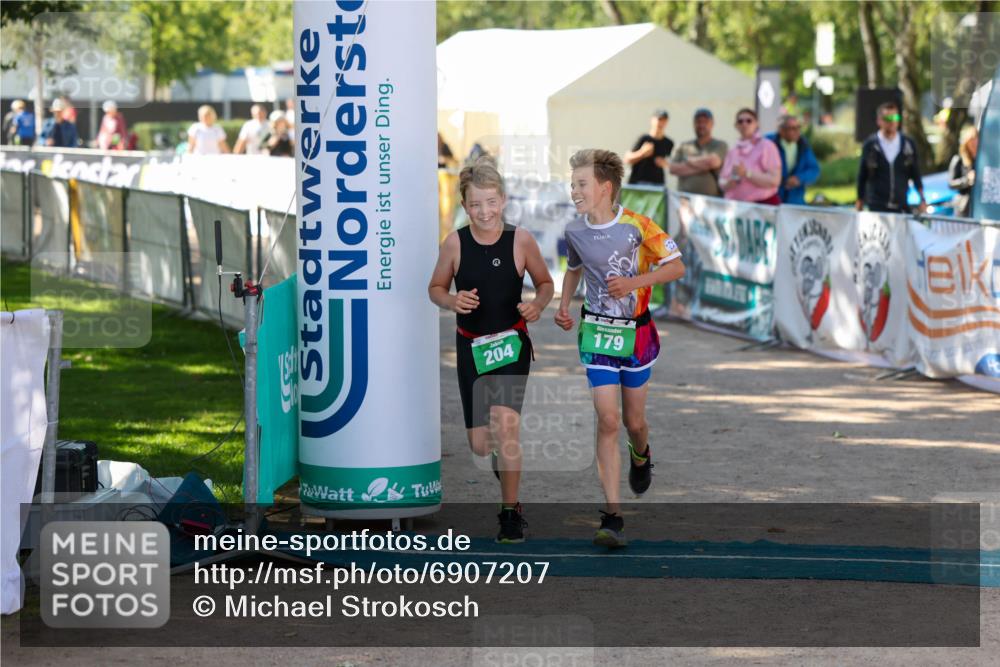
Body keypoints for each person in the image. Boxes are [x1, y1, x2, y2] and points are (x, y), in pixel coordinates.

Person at [555, 149, 685, 548]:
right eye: (573, 183)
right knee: (607, 419)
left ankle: (641, 453)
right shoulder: (575, 231)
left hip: (637, 335)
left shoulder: (638, 226)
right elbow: (574, 268)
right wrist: (563, 305)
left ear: (605, 188)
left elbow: (676, 267)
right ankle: (612, 516)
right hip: (597, 334)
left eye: (581, 184)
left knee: (634, 422)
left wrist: (634, 283)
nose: (574, 190)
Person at [428, 156, 554, 544]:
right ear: (465, 206)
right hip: (471, 347)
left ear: (503, 199)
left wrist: (537, 305)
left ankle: (510, 513)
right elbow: (435, 288)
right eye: (475, 204)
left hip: (512, 345)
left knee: (506, 425)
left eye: (491, 202)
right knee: (481, 444)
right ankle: (505, 472)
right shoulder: (455, 243)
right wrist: (452, 301)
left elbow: (546, 283)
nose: (485, 211)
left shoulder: (521, 240)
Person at [856, 101, 926, 214]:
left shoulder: (908, 144)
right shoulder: (870, 145)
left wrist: (922, 199)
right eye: (887, 118)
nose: (892, 121)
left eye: (895, 117)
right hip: (877, 207)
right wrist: (860, 200)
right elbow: (862, 175)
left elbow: (915, 174)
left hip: (901, 205)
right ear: (879, 121)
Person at [718, 108, 782, 204]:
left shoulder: (767, 146)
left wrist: (747, 173)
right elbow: (722, 180)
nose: (744, 124)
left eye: (749, 121)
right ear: (736, 125)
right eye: (740, 121)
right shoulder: (733, 150)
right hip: (737, 208)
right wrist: (728, 184)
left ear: (756, 124)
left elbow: (774, 180)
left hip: (762, 206)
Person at [669, 108, 728, 197]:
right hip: (685, 201)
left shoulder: (720, 145)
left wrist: (689, 160)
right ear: (694, 124)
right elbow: (673, 168)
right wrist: (705, 166)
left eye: (705, 122)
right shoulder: (683, 145)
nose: (701, 125)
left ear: (712, 124)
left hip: (712, 201)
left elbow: (714, 162)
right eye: (698, 121)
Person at [766, 114, 821, 205]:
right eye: (792, 128)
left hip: (795, 201)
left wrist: (799, 178)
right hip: (772, 200)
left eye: (798, 127)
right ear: (781, 130)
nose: (797, 131)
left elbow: (814, 169)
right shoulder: (768, 143)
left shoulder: (803, 145)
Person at [624, 109, 674, 186]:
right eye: (659, 119)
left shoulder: (669, 143)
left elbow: (671, 163)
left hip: (657, 184)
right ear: (652, 120)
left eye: (664, 120)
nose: (661, 123)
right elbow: (627, 159)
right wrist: (642, 153)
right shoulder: (643, 139)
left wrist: (665, 163)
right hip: (638, 182)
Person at [948, 126, 978, 218]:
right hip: (964, 206)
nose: (974, 145)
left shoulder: (982, 161)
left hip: (979, 205)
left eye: (975, 142)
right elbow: (951, 183)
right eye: (971, 143)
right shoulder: (959, 160)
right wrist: (967, 180)